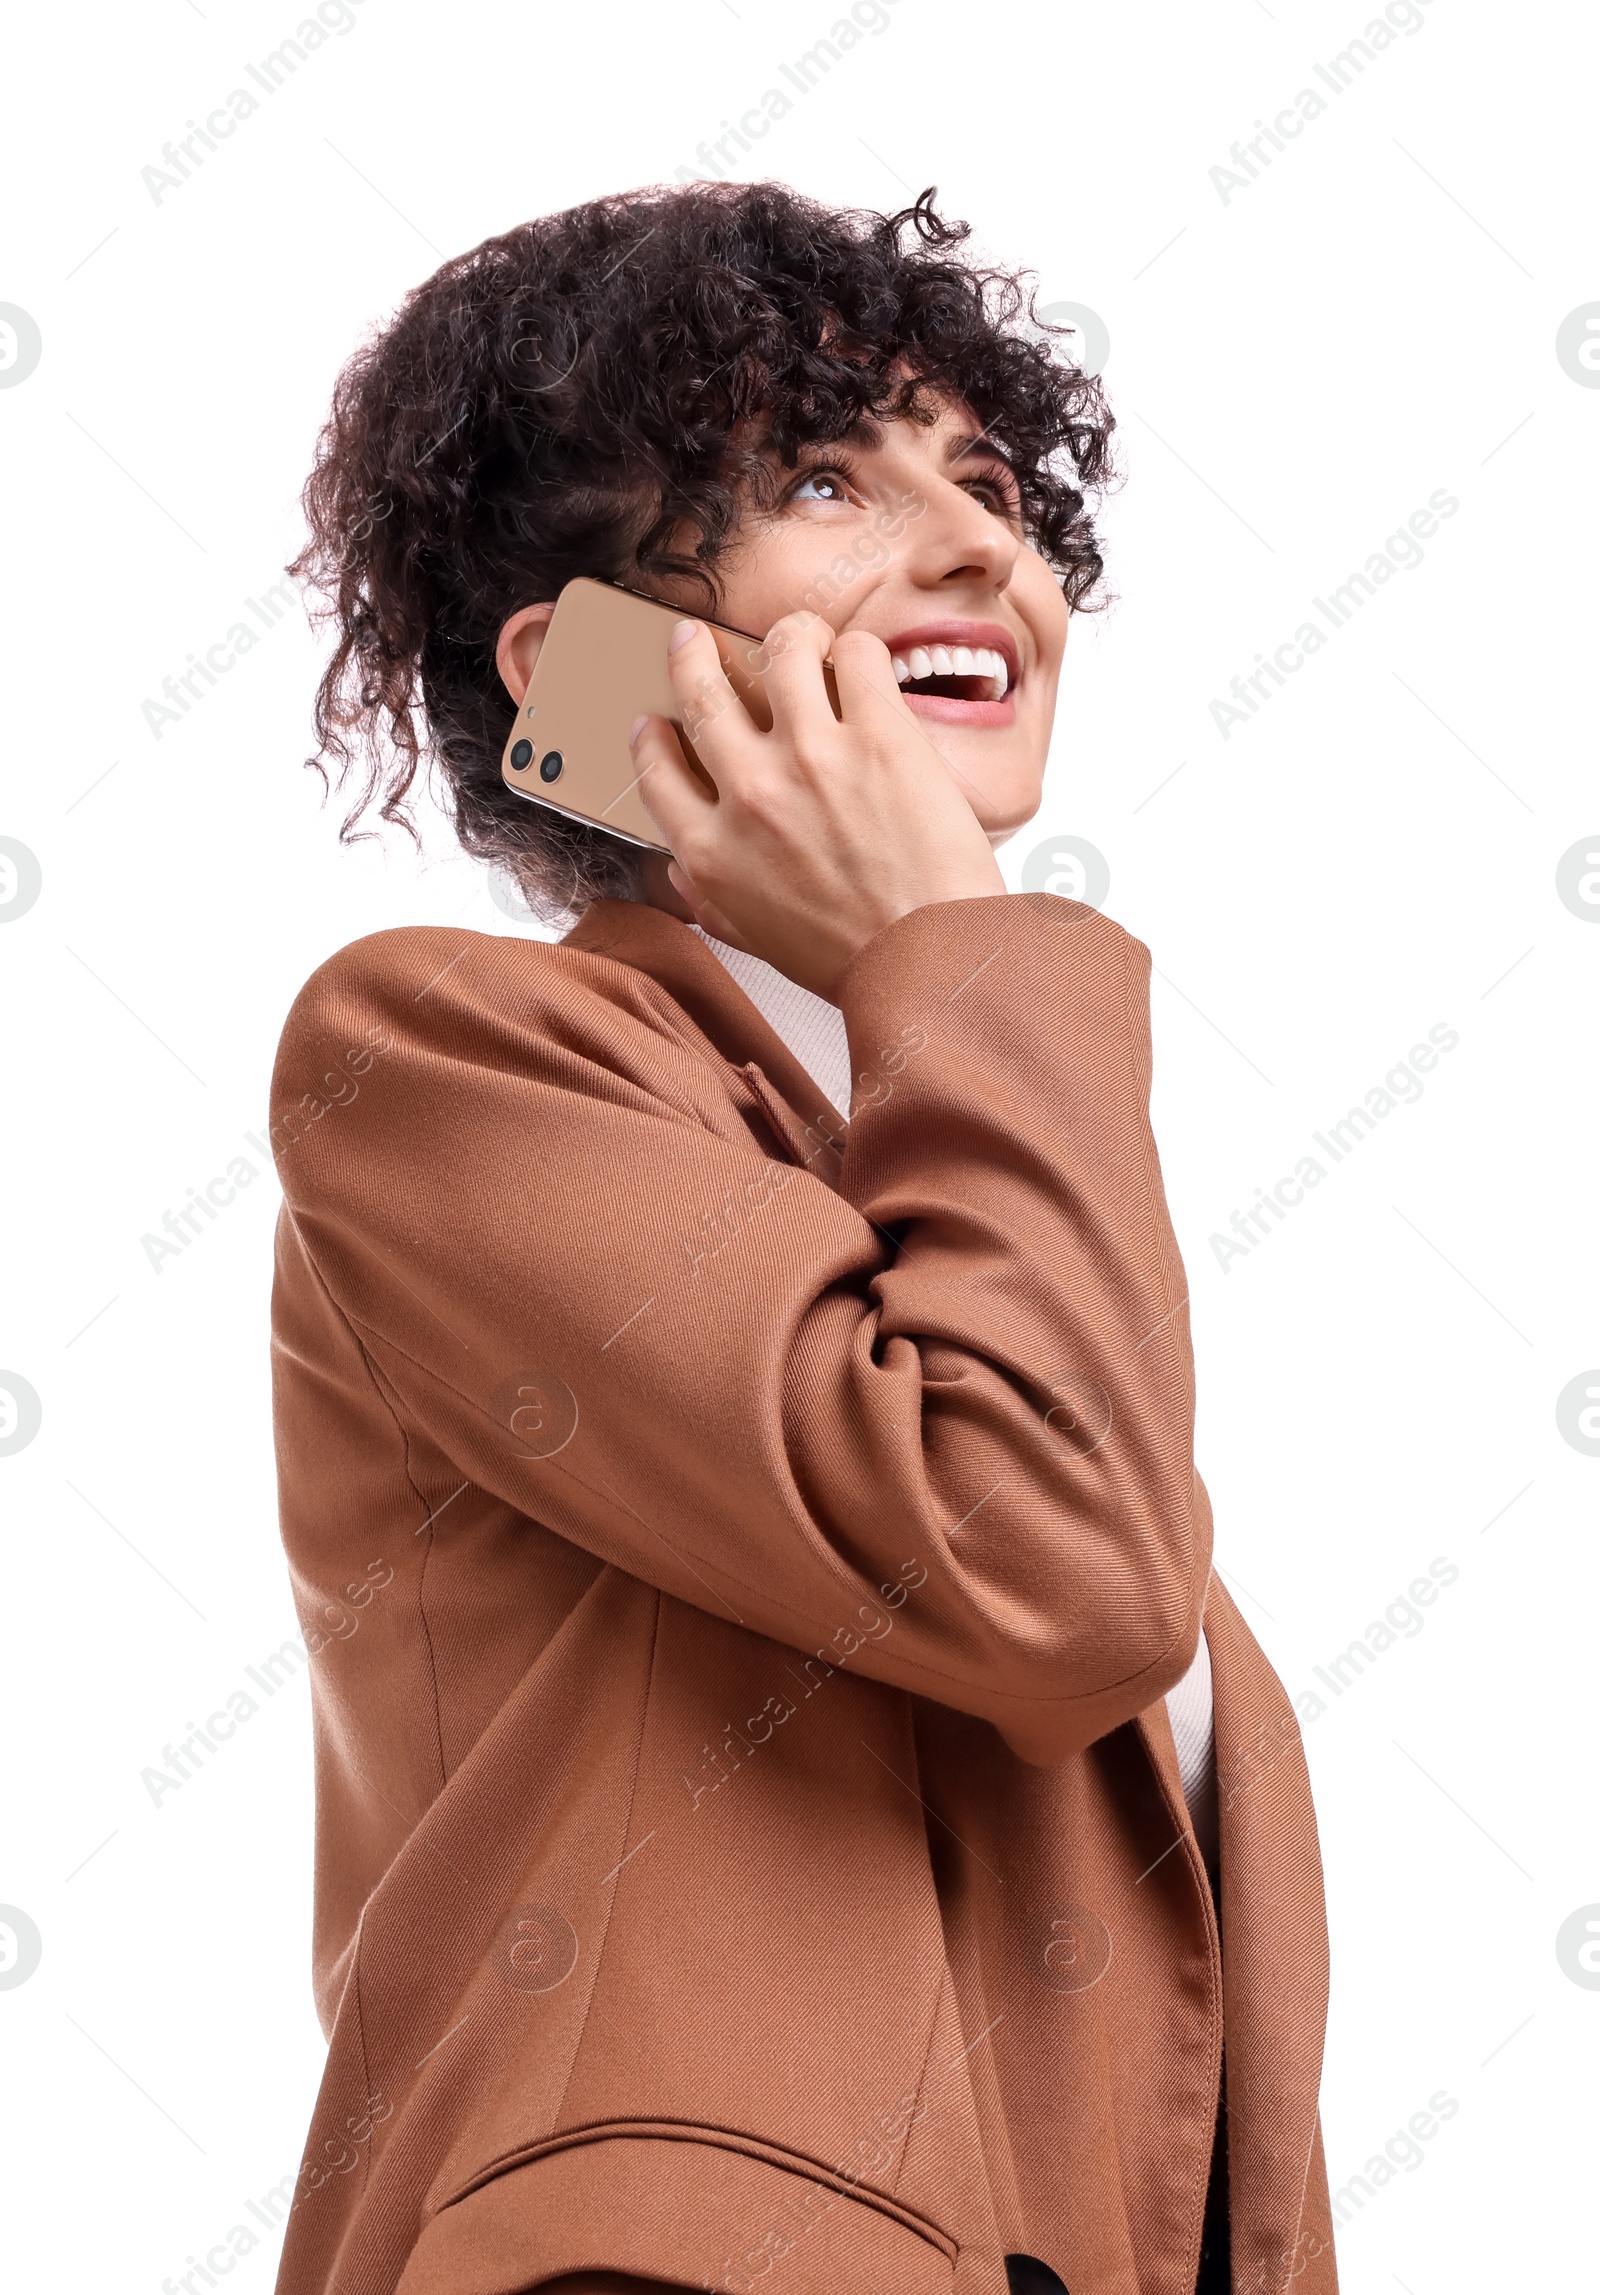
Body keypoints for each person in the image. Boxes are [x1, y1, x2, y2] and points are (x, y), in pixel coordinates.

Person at [267, 180, 1337, 2295]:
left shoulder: (967, 1194)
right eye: (826, 476)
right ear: (582, 664)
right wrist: (946, 945)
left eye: (993, 484)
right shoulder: (451, 1053)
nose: (978, 551)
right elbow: (1045, 1568)